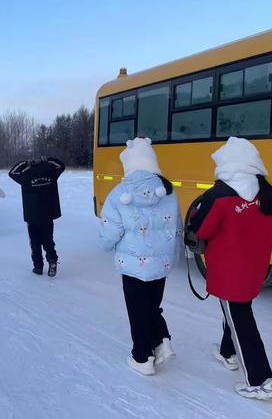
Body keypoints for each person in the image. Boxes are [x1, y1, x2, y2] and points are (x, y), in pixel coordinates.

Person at [189, 137, 272, 400]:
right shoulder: (266, 192)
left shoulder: (218, 195)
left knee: (241, 319)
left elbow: (201, 230)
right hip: (256, 267)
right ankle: (228, 353)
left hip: (228, 270)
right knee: (239, 310)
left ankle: (261, 380)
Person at [100, 137, 183, 376]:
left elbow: (110, 231)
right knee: (152, 305)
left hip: (133, 264)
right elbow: (176, 226)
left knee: (137, 309)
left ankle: (142, 357)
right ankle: (161, 341)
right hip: (161, 262)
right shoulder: (167, 190)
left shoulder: (119, 192)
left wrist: (106, 244)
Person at [9, 156, 65, 277]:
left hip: (32, 215)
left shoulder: (26, 175)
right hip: (48, 213)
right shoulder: (51, 172)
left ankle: (38, 267)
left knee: (34, 242)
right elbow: (61, 165)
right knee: (48, 240)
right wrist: (48, 160)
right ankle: (52, 260)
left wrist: (24, 163)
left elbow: (12, 173)